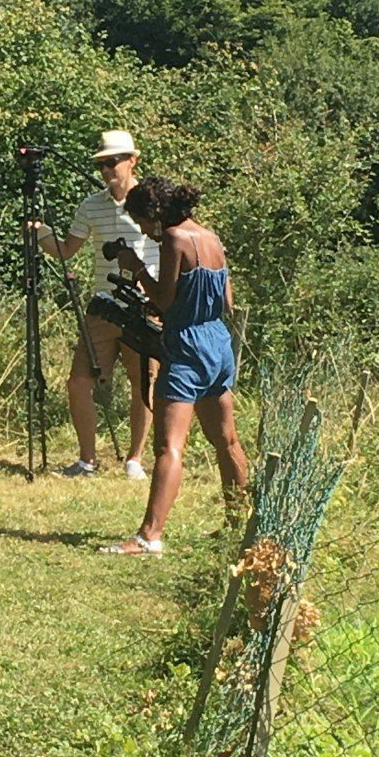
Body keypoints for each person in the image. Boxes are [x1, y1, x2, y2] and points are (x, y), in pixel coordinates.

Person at [101, 175, 247, 555]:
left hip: (186, 346)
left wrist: (136, 268)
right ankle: (238, 525)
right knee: (226, 440)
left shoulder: (173, 239)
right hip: (217, 343)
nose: (146, 234)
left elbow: (165, 300)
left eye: (143, 223)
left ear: (155, 213)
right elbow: (227, 301)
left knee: (169, 447)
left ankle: (149, 536)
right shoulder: (211, 238)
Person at [37, 130, 160, 479]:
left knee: (143, 384)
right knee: (79, 381)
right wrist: (41, 233)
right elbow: (66, 250)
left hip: (143, 305)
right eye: (102, 164)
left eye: (112, 162)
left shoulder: (151, 202)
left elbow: (170, 247)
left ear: (132, 160)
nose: (106, 170)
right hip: (104, 305)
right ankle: (87, 459)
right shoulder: (91, 205)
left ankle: (135, 459)